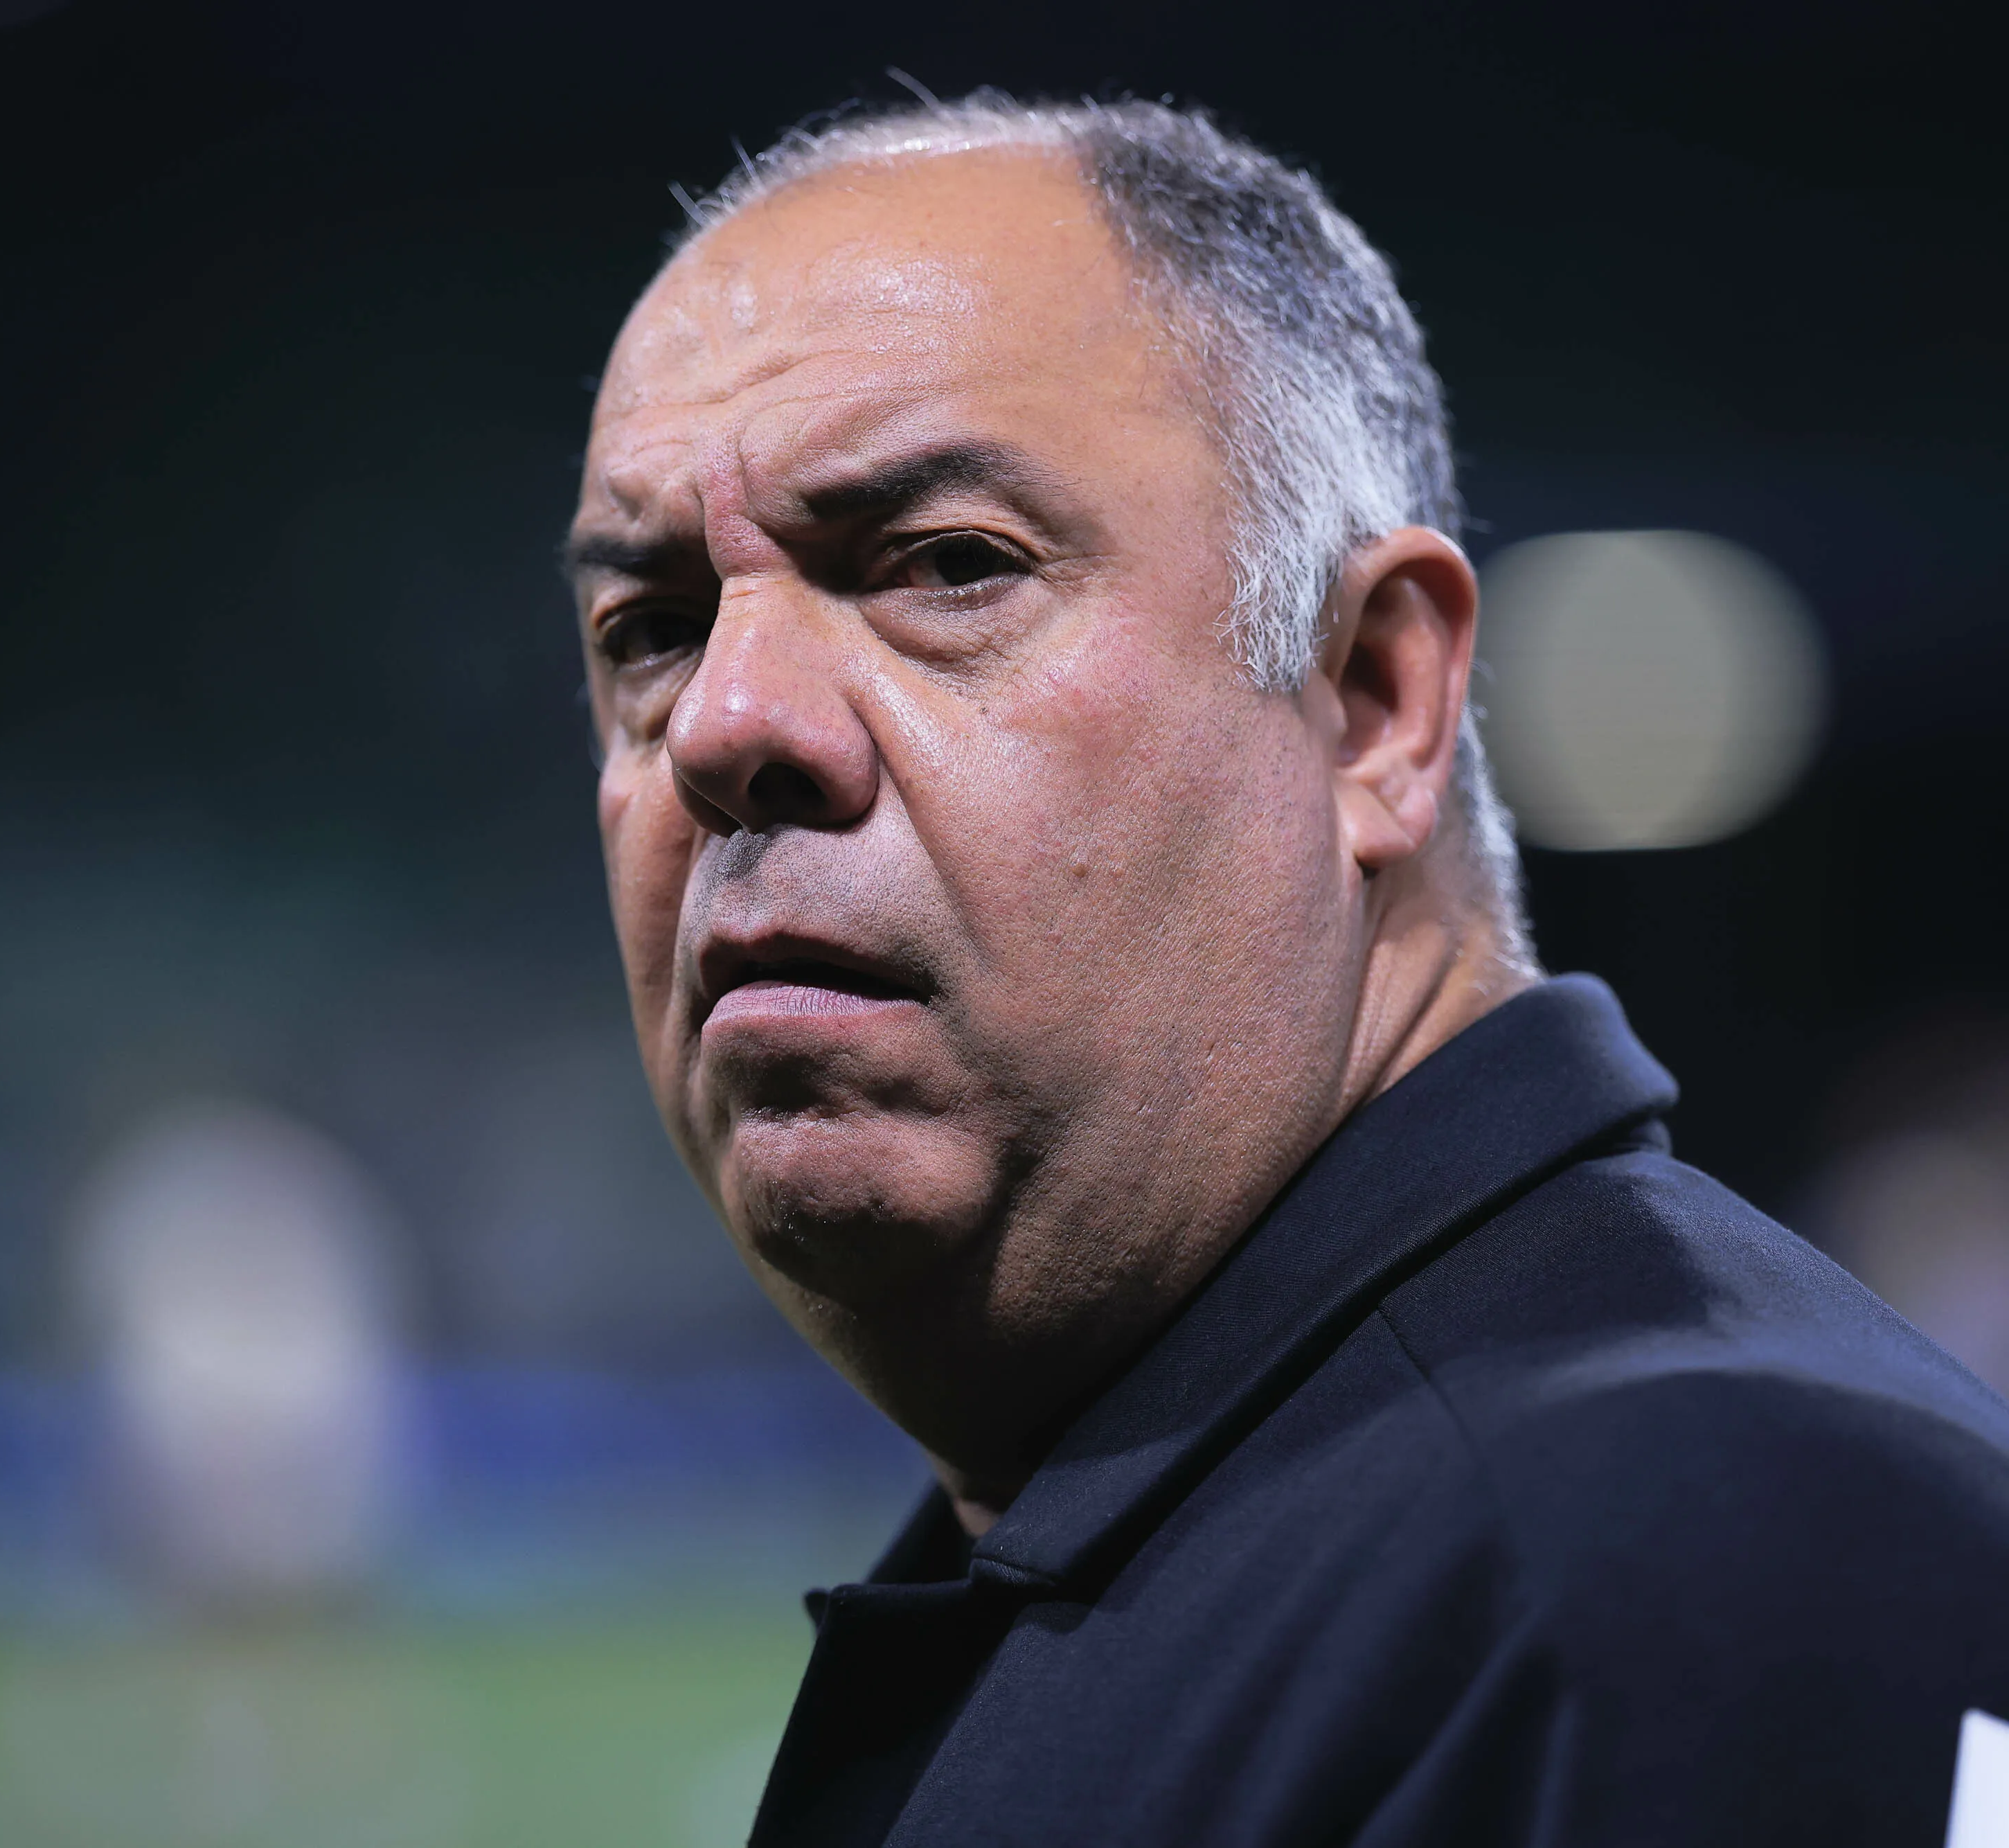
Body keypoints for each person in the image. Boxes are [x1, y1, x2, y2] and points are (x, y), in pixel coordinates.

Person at [566, 94, 2009, 1847]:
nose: (725, 723)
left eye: (947, 567)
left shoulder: (1703, 1553)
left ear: (1372, 702)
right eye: (649, 627)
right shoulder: (1261, 1519)